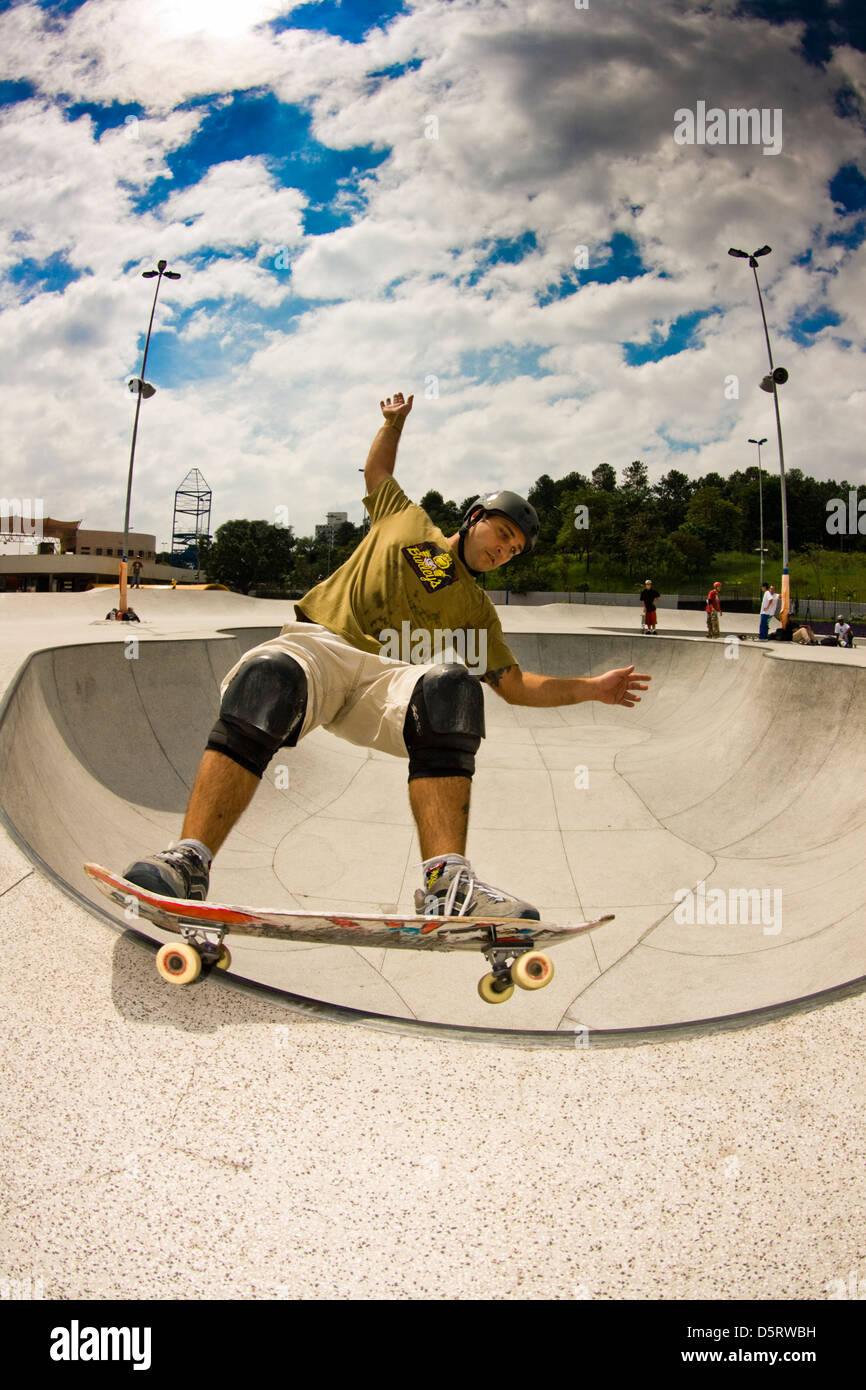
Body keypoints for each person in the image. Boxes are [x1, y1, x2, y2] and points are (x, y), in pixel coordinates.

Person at [122, 391, 651, 921]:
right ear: (474, 517)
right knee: (268, 678)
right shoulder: (406, 519)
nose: (501, 551)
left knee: (452, 689)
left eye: (513, 551)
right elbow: (377, 471)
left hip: (388, 684)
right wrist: (393, 426)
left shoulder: (475, 609)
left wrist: (591, 688)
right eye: (502, 534)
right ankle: (188, 861)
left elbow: (513, 685)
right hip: (321, 649)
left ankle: (447, 885)